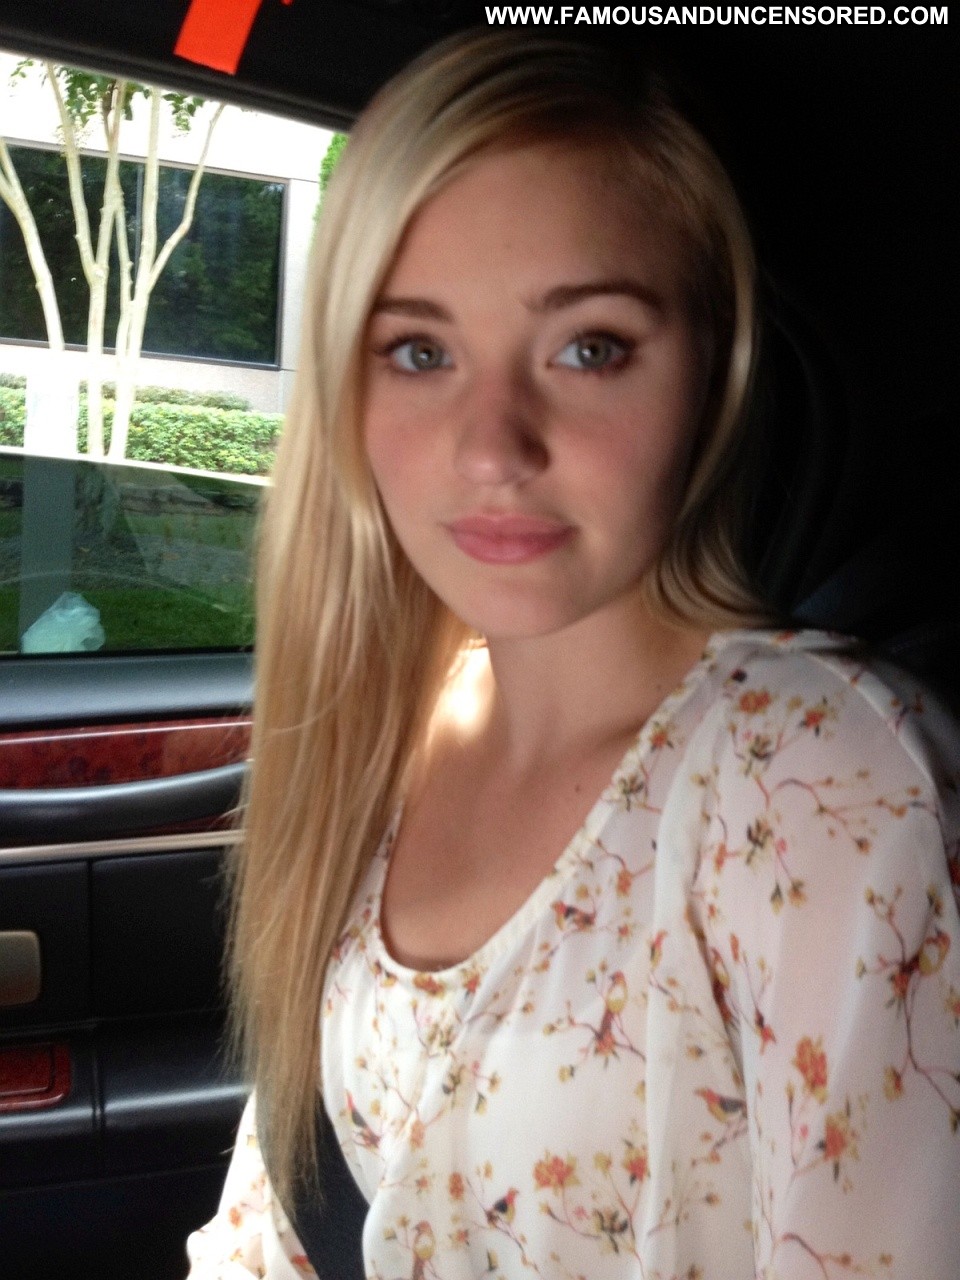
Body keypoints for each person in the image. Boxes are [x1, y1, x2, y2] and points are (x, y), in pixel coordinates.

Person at [186, 29, 960, 1280]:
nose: (494, 445)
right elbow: (269, 1232)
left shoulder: (826, 787)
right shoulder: (388, 741)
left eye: (589, 347)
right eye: (419, 350)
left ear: (716, 369)